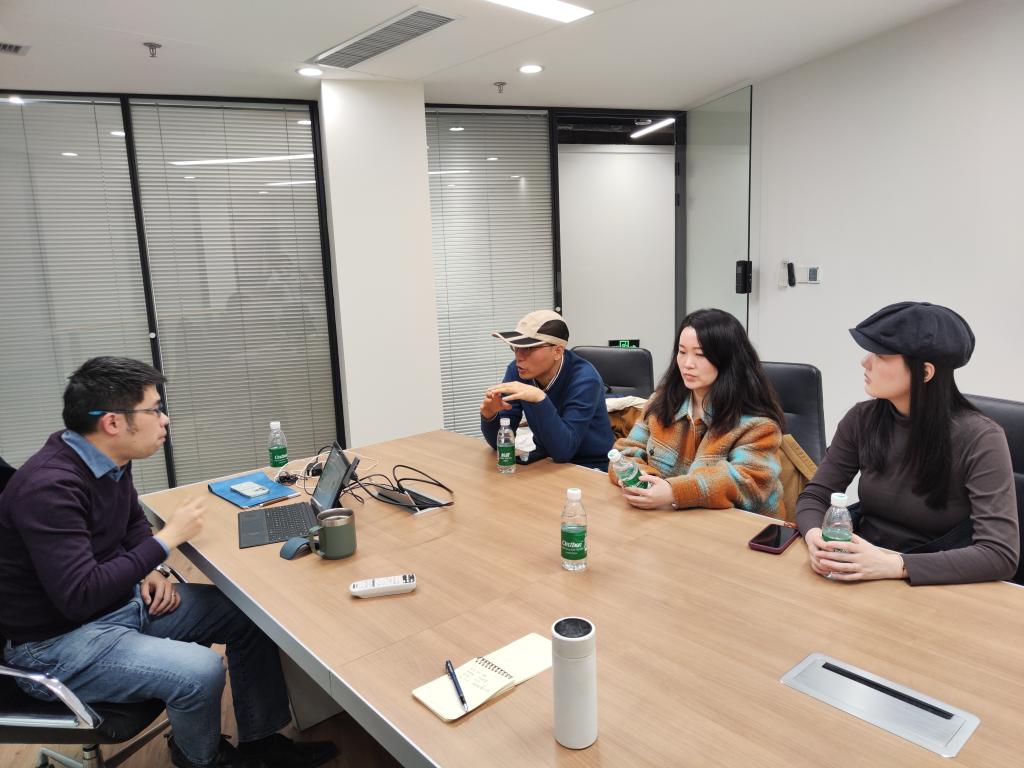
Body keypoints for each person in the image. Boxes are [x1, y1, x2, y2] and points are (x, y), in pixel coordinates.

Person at [0, 357, 337, 768]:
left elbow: (130, 521)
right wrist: (166, 541)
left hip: (115, 608)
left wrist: (151, 568)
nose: (165, 419)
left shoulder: (107, 459)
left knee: (249, 616)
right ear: (112, 422)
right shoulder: (48, 487)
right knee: (201, 671)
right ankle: (201, 759)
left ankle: (261, 742)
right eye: (154, 409)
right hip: (57, 646)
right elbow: (80, 596)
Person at [797, 302, 1019, 586]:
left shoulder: (981, 438)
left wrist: (895, 565)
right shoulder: (861, 419)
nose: (865, 362)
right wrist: (816, 539)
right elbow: (815, 496)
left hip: (935, 582)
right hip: (863, 570)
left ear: (925, 372)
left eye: (880, 355)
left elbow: (1000, 554)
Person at [610, 308, 786, 515]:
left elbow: (748, 482)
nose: (687, 364)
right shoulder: (662, 402)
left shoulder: (757, 423)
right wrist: (645, 482)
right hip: (673, 519)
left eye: (700, 355)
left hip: (741, 527)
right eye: (682, 352)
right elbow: (625, 453)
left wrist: (673, 492)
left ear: (728, 360)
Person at [481, 310, 614, 470]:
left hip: (590, 467)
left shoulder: (585, 379)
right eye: (515, 347)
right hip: (546, 460)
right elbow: (501, 442)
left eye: (528, 348)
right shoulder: (517, 371)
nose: (519, 356)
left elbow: (564, 451)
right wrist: (490, 416)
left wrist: (539, 398)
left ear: (557, 351)